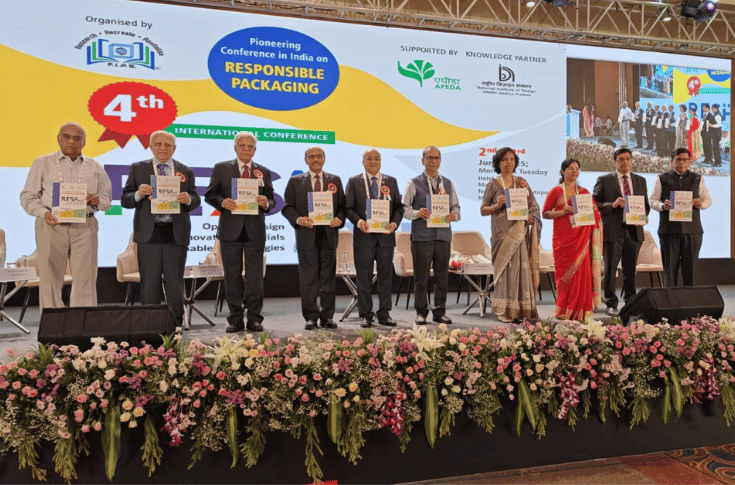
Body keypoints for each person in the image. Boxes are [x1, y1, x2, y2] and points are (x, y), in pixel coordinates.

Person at [20, 122, 111, 310]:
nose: (71, 141)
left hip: (85, 225)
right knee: (50, 278)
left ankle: (83, 322)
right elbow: (28, 197)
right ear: (58, 139)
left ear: (84, 142)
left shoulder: (95, 166)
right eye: (66, 136)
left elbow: (107, 200)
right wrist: (43, 213)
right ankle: (53, 322)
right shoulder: (42, 163)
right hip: (52, 224)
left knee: (86, 278)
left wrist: (97, 200)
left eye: (77, 138)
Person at [121, 131, 200, 326]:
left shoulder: (185, 170)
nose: (163, 148)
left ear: (174, 148)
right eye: (158, 144)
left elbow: (196, 200)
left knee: (175, 284)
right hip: (149, 233)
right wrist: (138, 194)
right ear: (150, 146)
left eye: (167, 145)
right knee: (149, 285)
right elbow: (125, 200)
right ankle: (150, 326)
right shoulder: (138, 168)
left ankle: (176, 326)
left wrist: (188, 200)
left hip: (176, 233)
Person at [204, 132, 275, 333]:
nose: (246, 149)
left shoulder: (263, 171)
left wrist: (266, 203)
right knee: (232, 277)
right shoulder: (222, 168)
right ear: (235, 148)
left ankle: (254, 318)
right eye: (242, 145)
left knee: (255, 278)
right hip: (230, 230)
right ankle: (235, 319)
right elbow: (210, 195)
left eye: (250, 146)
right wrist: (222, 202)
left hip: (255, 231)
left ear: (255, 150)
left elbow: (271, 199)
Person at [282, 147, 345, 330]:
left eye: (319, 156)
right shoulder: (295, 181)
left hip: (328, 235)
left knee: (328, 279)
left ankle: (327, 317)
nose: (316, 159)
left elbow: (342, 207)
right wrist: (298, 219)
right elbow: (287, 207)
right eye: (311, 157)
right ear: (306, 160)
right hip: (306, 235)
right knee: (308, 279)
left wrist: (339, 219)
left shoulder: (335, 180)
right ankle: (310, 317)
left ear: (324, 158)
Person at [480, 147, 540, 323]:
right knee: (505, 271)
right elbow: (483, 210)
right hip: (501, 235)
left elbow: (533, 206)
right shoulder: (493, 184)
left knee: (520, 269)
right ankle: (505, 310)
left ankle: (521, 310)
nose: (509, 163)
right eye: (505, 159)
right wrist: (497, 205)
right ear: (498, 163)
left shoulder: (522, 183)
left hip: (519, 232)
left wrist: (531, 217)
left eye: (512, 159)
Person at [345, 149, 403, 328]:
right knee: (363, 278)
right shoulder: (354, 182)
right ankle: (365, 314)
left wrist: (394, 223)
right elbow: (348, 208)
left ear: (381, 161)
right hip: (364, 237)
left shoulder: (391, 181)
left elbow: (398, 208)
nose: (373, 161)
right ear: (363, 162)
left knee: (386, 277)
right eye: (369, 158)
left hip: (386, 237)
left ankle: (384, 313)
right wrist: (359, 221)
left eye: (376, 158)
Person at [402, 146, 460, 325]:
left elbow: (456, 207)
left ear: (440, 161)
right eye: (429, 157)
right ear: (423, 160)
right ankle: (421, 312)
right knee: (421, 277)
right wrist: (417, 213)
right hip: (422, 237)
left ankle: (439, 312)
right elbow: (404, 208)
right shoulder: (413, 183)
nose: (433, 161)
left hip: (443, 236)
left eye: (436, 158)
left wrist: (454, 215)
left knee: (442, 277)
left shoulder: (448, 183)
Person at [592, 147, 650, 317]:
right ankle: (611, 303)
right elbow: (594, 203)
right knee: (610, 269)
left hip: (634, 230)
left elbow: (645, 205)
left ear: (632, 161)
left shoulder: (640, 180)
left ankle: (631, 301)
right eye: (621, 159)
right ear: (614, 162)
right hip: (612, 231)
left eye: (628, 159)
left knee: (630, 269)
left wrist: (643, 215)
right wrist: (612, 204)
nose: (625, 162)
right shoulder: (604, 179)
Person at [542, 159, 602, 321]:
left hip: (581, 241)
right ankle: (564, 310)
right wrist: (562, 212)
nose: (574, 171)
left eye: (577, 169)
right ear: (563, 171)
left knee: (582, 276)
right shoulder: (555, 191)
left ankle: (581, 311)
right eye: (571, 169)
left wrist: (593, 212)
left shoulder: (584, 193)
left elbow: (596, 216)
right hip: (563, 241)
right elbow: (545, 213)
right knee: (564, 276)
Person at [651, 148, 711, 287]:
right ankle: (670, 299)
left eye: (685, 159)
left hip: (692, 231)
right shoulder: (661, 178)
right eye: (678, 159)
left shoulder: (698, 178)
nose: (682, 162)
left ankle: (688, 299)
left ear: (689, 162)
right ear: (672, 161)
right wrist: (662, 206)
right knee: (670, 272)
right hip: (669, 231)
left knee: (690, 271)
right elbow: (652, 200)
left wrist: (701, 204)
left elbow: (708, 200)